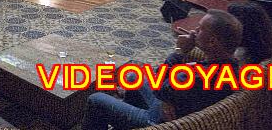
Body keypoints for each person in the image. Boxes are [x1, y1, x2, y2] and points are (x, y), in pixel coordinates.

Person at [82, 10, 242, 129]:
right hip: (173, 105)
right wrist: (168, 97)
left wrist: (180, 52)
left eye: (199, 30)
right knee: (132, 76)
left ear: (212, 42)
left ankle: (130, 120)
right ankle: (124, 122)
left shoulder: (199, 75)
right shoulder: (231, 65)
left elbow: (159, 84)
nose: (193, 31)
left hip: (162, 121)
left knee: (96, 99)